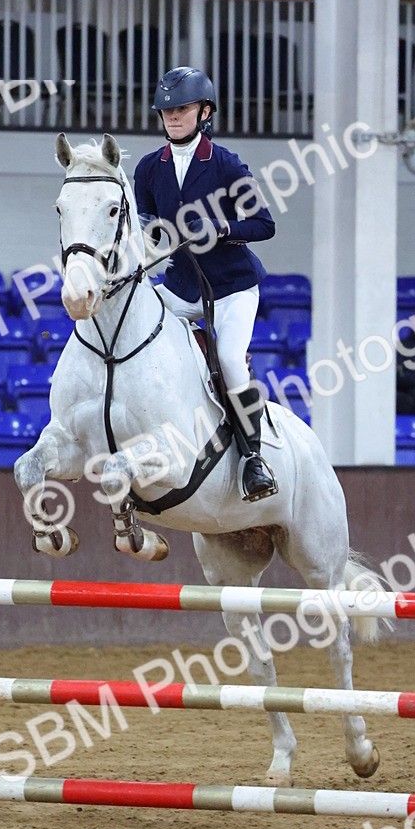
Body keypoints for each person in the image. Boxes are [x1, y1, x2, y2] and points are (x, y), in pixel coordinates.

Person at [133, 66, 278, 502]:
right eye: (167, 110)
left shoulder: (227, 164)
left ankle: (253, 458)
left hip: (232, 287)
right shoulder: (147, 168)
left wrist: (220, 227)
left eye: (183, 109)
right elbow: (145, 227)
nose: (173, 117)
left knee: (231, 360)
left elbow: (264, 225)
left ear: (204, 111)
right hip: (180, 286)